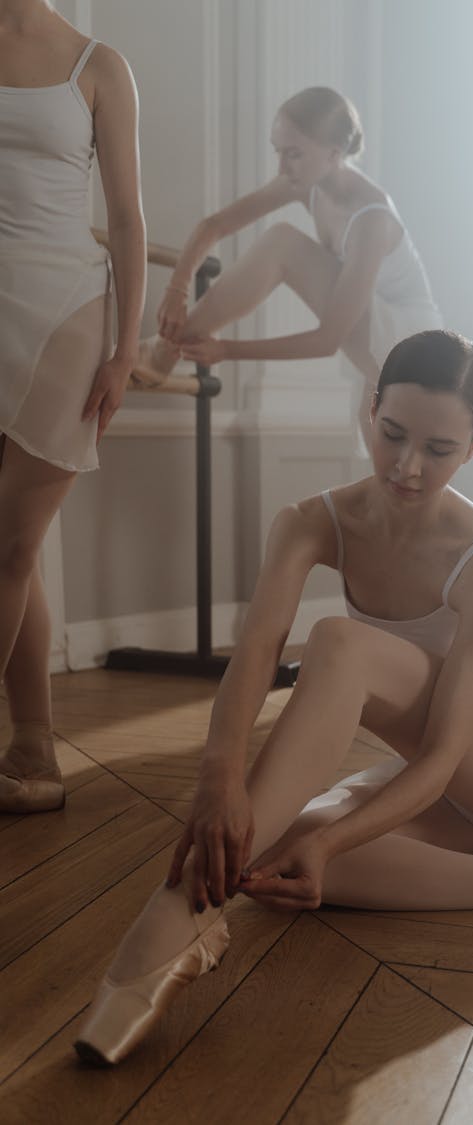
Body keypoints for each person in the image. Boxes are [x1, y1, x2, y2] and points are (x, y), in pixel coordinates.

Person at [75, 329, 473, 1066]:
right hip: (434, 785)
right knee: (283, 855)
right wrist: (220, 779)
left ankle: (172, 918)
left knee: (337, 642)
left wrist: (333, 832)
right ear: (369, 411)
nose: (406, 466)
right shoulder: (309, 523)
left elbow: (441, 756)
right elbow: (254, 653)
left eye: (437, 450)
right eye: (392, 434)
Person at [0, 0, 146, 813]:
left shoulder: (99, 65)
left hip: (62, 317)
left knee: (8, 545)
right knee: (13, 554)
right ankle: (33, 746)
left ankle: (27, 744)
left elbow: (126, 219)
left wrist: (126, 350)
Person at [134, 85, 442, 442]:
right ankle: (162, 349)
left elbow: (328, 340)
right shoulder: (304, 182)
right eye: (278, 151)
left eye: (293, 154)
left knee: (284, 243)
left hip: (415, 352)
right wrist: (178, 287)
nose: (281, 166)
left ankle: (161, 351)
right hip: (379, 346)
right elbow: (214, 226)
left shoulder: (371, 218)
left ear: (334, 153)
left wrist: (227, 351)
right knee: (394, 490)